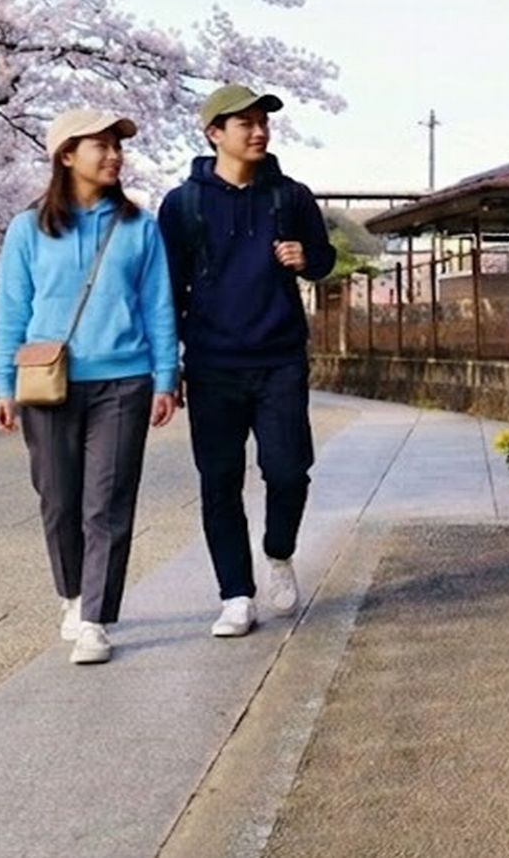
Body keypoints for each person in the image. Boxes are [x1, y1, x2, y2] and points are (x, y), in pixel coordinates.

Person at [0, 108, 180, 665]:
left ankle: (96, 617)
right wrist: (3, 384)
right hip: (48, 383)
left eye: (118, 146)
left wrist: (166, 375)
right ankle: (72, 595)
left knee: (108, 502)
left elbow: (158, 305)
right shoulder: (27, 229)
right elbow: (11, 311)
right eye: (101, 145)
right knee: (57, 499)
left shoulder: (139, 227)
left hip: (124, 381)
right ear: (66, 155)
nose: (114, 155)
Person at [161, 84, 335, 638]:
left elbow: (324, 260)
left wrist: (307, 257)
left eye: (263, 122)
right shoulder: (183, 205)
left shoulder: (292, 196)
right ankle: (236, 593)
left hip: (281, 357)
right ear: (215, 134)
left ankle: (278, 552)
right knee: (219, 480)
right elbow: (167, 289)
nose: (259, 131)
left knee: (288, 471)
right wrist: (170, 367)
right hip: (212, 363)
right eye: (246, 124)